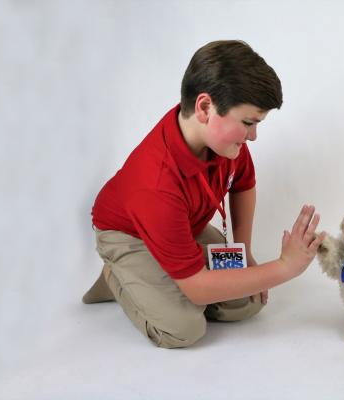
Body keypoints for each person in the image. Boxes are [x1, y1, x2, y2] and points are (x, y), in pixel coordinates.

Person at [82, 40, 326, 348]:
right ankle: (119, 275)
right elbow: (197, 289)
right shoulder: (156, 184)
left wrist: (245, 252)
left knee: (249, 303)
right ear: (205, 107)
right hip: (129, 235)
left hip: (184, 226)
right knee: (183, 329)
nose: (253, 136)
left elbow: (242, 184)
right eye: (248, 122)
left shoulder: (225, 143)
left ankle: (166, 276)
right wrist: (283, 268)